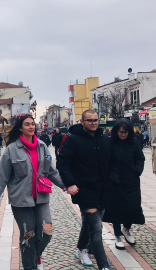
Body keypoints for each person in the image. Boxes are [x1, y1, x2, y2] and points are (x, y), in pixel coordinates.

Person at [0, 113, 65, 270]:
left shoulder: (42, 146)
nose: (31, 126)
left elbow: (51, 171)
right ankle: (30, 266)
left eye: (33, 124)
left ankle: (36, 255)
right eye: (27, 124)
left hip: (41, 197)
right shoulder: (11, 150)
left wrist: (65, 186)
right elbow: (2, 176)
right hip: (21, 200)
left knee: (47, 232)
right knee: (28, 236)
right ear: (20, 128)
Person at [56, 110, 111, 270]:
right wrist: (70, 183)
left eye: (95, 120)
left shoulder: (105, 140)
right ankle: (104, 266)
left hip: (103, 190)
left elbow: (113, 163)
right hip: (84, 190)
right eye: (90, 120)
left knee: (89, 223)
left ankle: (81, 249)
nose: (93, 123)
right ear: (82, 122)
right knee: (96, 228)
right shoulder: (73, 140)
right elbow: (62, 163)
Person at [103, 119, 145, 250]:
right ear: (116, 132)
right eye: (121, 132)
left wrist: (137, 171)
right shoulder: (110, 142)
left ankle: (126, 229)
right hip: (115, 181)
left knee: (132, 207)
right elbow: (105, 159)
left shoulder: (134, 142)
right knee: (116, 209)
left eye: (126, 132)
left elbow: (140, 158)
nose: (123, 135)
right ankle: (117, 235)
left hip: (131, 180)